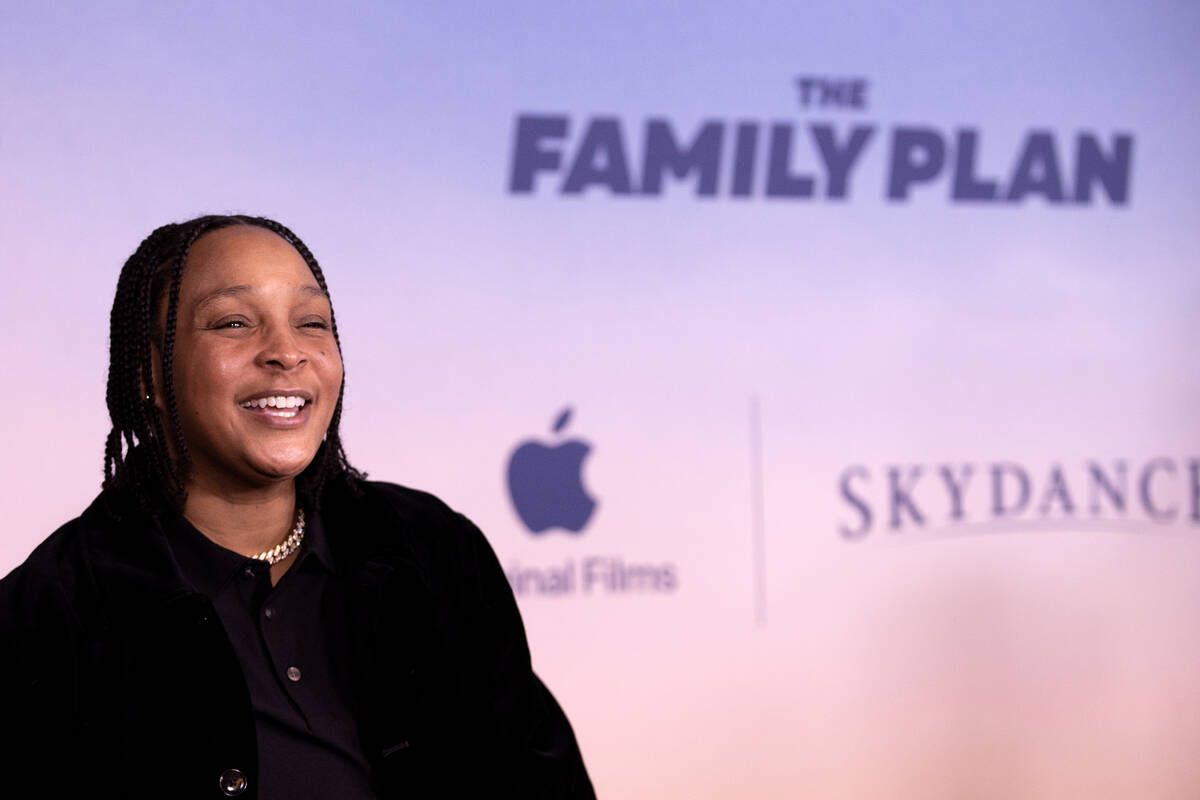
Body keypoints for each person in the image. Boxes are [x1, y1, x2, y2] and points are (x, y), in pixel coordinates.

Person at [0, 215, 595, 799]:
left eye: (312, 322)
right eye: (233, 322)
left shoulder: (433, 548)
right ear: (150, 375)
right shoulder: (49, 616)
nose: (287, 352)